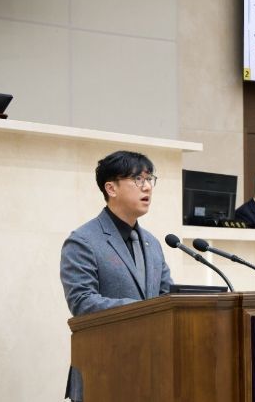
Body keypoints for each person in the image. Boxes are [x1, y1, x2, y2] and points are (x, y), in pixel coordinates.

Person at [60, 150, 173, 402]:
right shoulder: (83, 241)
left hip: (152, 369)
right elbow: (82, 302)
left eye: (149, 179)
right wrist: (144, 310)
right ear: (111, 188)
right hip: (102, 369)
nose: (147, 187)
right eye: (138, 179)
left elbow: (167, 298)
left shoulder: (153, 244)